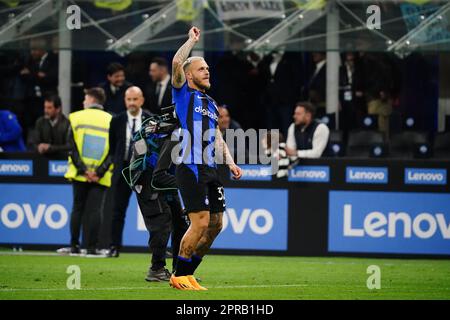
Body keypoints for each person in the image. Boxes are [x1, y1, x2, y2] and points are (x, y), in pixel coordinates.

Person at [169, 26, 242, 290]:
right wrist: (191, 41)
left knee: (216, 225)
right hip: (190, 165)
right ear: (188, 75)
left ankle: (188, 274)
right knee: (199, 223)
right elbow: (177, 61)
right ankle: (178, 275)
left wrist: (230, 161)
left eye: (208, 68)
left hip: (211, 168)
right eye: (202, 69)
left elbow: (218, 137)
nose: (207, 71)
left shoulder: (211, 103)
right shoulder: (183, 94)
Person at [123, 104, 189, 281]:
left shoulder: (160, 128)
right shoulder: (173, 135)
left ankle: (179, 272)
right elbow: (160, 174)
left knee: (180, 222)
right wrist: (187, 186)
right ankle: (157, 269)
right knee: (162, 221)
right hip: (147, 181)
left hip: (157, 179)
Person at [64, 87, 113, 256]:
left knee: (77, 208)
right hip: (101, 175)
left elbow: (71, 147)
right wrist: (98, 172)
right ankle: (92, 248)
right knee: (95, 210)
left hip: (79, 174)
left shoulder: (75, 117)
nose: (84, 101)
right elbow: (113, 150)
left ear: (92, 99)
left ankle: (74, 246)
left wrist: (84, 170)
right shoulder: (111, 120)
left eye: (85, 98)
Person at [107, 86, 152, 258]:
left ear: (142, 100)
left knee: (151, 212)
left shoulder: (150, 120)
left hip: (144, 171)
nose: (132, 103)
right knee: (117, 211)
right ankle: (114, 246)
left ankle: (157, 250)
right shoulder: (117, 120)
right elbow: (113, 147)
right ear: (125, 100)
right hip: (123, 171)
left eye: (135, 99)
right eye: (129, 99)